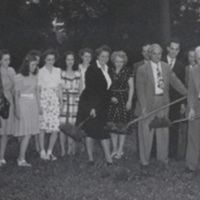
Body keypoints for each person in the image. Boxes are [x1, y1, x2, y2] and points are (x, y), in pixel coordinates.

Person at [135, 44, 187, 167]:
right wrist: (143, 107)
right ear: (149, 54)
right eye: (154, 53)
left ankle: (162, 159)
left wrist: (188, 93)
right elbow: (140, 90)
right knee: (146, 132)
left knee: (163, 130)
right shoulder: (142, 69)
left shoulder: (166, 67)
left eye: (159, 53)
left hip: (163, 102)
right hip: (148, 103)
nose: (157, 56)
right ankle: (145, 161)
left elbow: (175, 82)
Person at [76, 45, 113, 165]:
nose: (105, 58)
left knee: (103, 130)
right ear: (97, 56)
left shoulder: (108, 68)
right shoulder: (92, 69)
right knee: (91, 130)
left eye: (107, 56)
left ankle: (108, 159)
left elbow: (108, 88)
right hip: (91, 103)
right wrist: (91, 108)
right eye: (103, 56)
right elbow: (90, 90)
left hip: (103, 104)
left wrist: (111, 97)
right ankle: (91, 158)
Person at [107, 51, 134, 159]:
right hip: (112, 99)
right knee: (112, 125)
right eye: (117, 61)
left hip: (124, 98)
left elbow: (131, 87)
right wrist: (109, 96)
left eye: (121, 61)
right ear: (113, 61)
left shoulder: (128, 71)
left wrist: (130, 100)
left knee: (122, 125)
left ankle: (120, 149)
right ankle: (114, 148)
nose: (119, 64)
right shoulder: (109, 70)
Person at [14, 55, 40, 167]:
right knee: (26, 133)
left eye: (35, 65)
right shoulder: (19, 77)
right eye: (32, 65)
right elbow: (16, 95)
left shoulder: (34, 77)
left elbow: (36, 93)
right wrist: (17, 110)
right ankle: (21, 159)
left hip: (33, 105)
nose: (34, 67)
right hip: (23, 104)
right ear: (26, 65)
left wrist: (39, 106)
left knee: (29, 132)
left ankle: (20, 157)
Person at [163, 38, 186, 159]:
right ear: (167, 48)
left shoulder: (181, 66)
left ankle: (172, 153)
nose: (174, 52)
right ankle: (156, 152)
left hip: (175, 101)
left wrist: (183, 103)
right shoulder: (160, 62)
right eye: (172, 48)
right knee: (160, 125)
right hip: (161, 101)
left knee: (173, 126)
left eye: (176, 49)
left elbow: (182, 85)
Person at [38, 49, 63, 161]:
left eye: (53, 59)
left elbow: (59, 87)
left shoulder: (58, 70)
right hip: (44, 98)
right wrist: (39, 105)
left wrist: (61, 101)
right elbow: (38, 89)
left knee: (55, 128)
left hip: (54, 98)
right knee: (42, 127)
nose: (51, 61)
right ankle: (42, 151)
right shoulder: (40, 71)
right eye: (48, 59)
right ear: (44, 60)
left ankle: (50, 152)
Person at [60, 51, 81, 156]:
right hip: (64, 100)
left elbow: (80, 89)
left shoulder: (78, 73)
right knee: (63, 125)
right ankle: (63, 150)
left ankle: (71, 148)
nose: (70, 62)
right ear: (65, 60)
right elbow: (59, 88)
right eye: (68, 59)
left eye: (72, 59)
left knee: (72, 126)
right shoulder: (61, 73)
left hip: (74, 101)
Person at [185, 46, 200, 172]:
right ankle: (191, 165)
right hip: (197, 106)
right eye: (199, 58)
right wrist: (191, 108)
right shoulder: (193, 71)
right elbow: (191, 91)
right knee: (193, 136)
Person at [0, 50, 16, 166]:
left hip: (9, 101)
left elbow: (16, 87)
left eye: (9, 59)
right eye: (5, 59)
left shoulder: (11, 71)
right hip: (1, 99)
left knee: (5, 131)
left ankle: (1, 156)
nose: (7, 62)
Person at [27, 49, 41, 153]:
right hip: (29, 98)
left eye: (38, 60)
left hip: (39, 96)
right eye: (35, 60)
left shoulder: (40, 70)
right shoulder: (27, 71)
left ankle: (37, 146)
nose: (37, 62)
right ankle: (24, 145)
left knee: (37, 124)